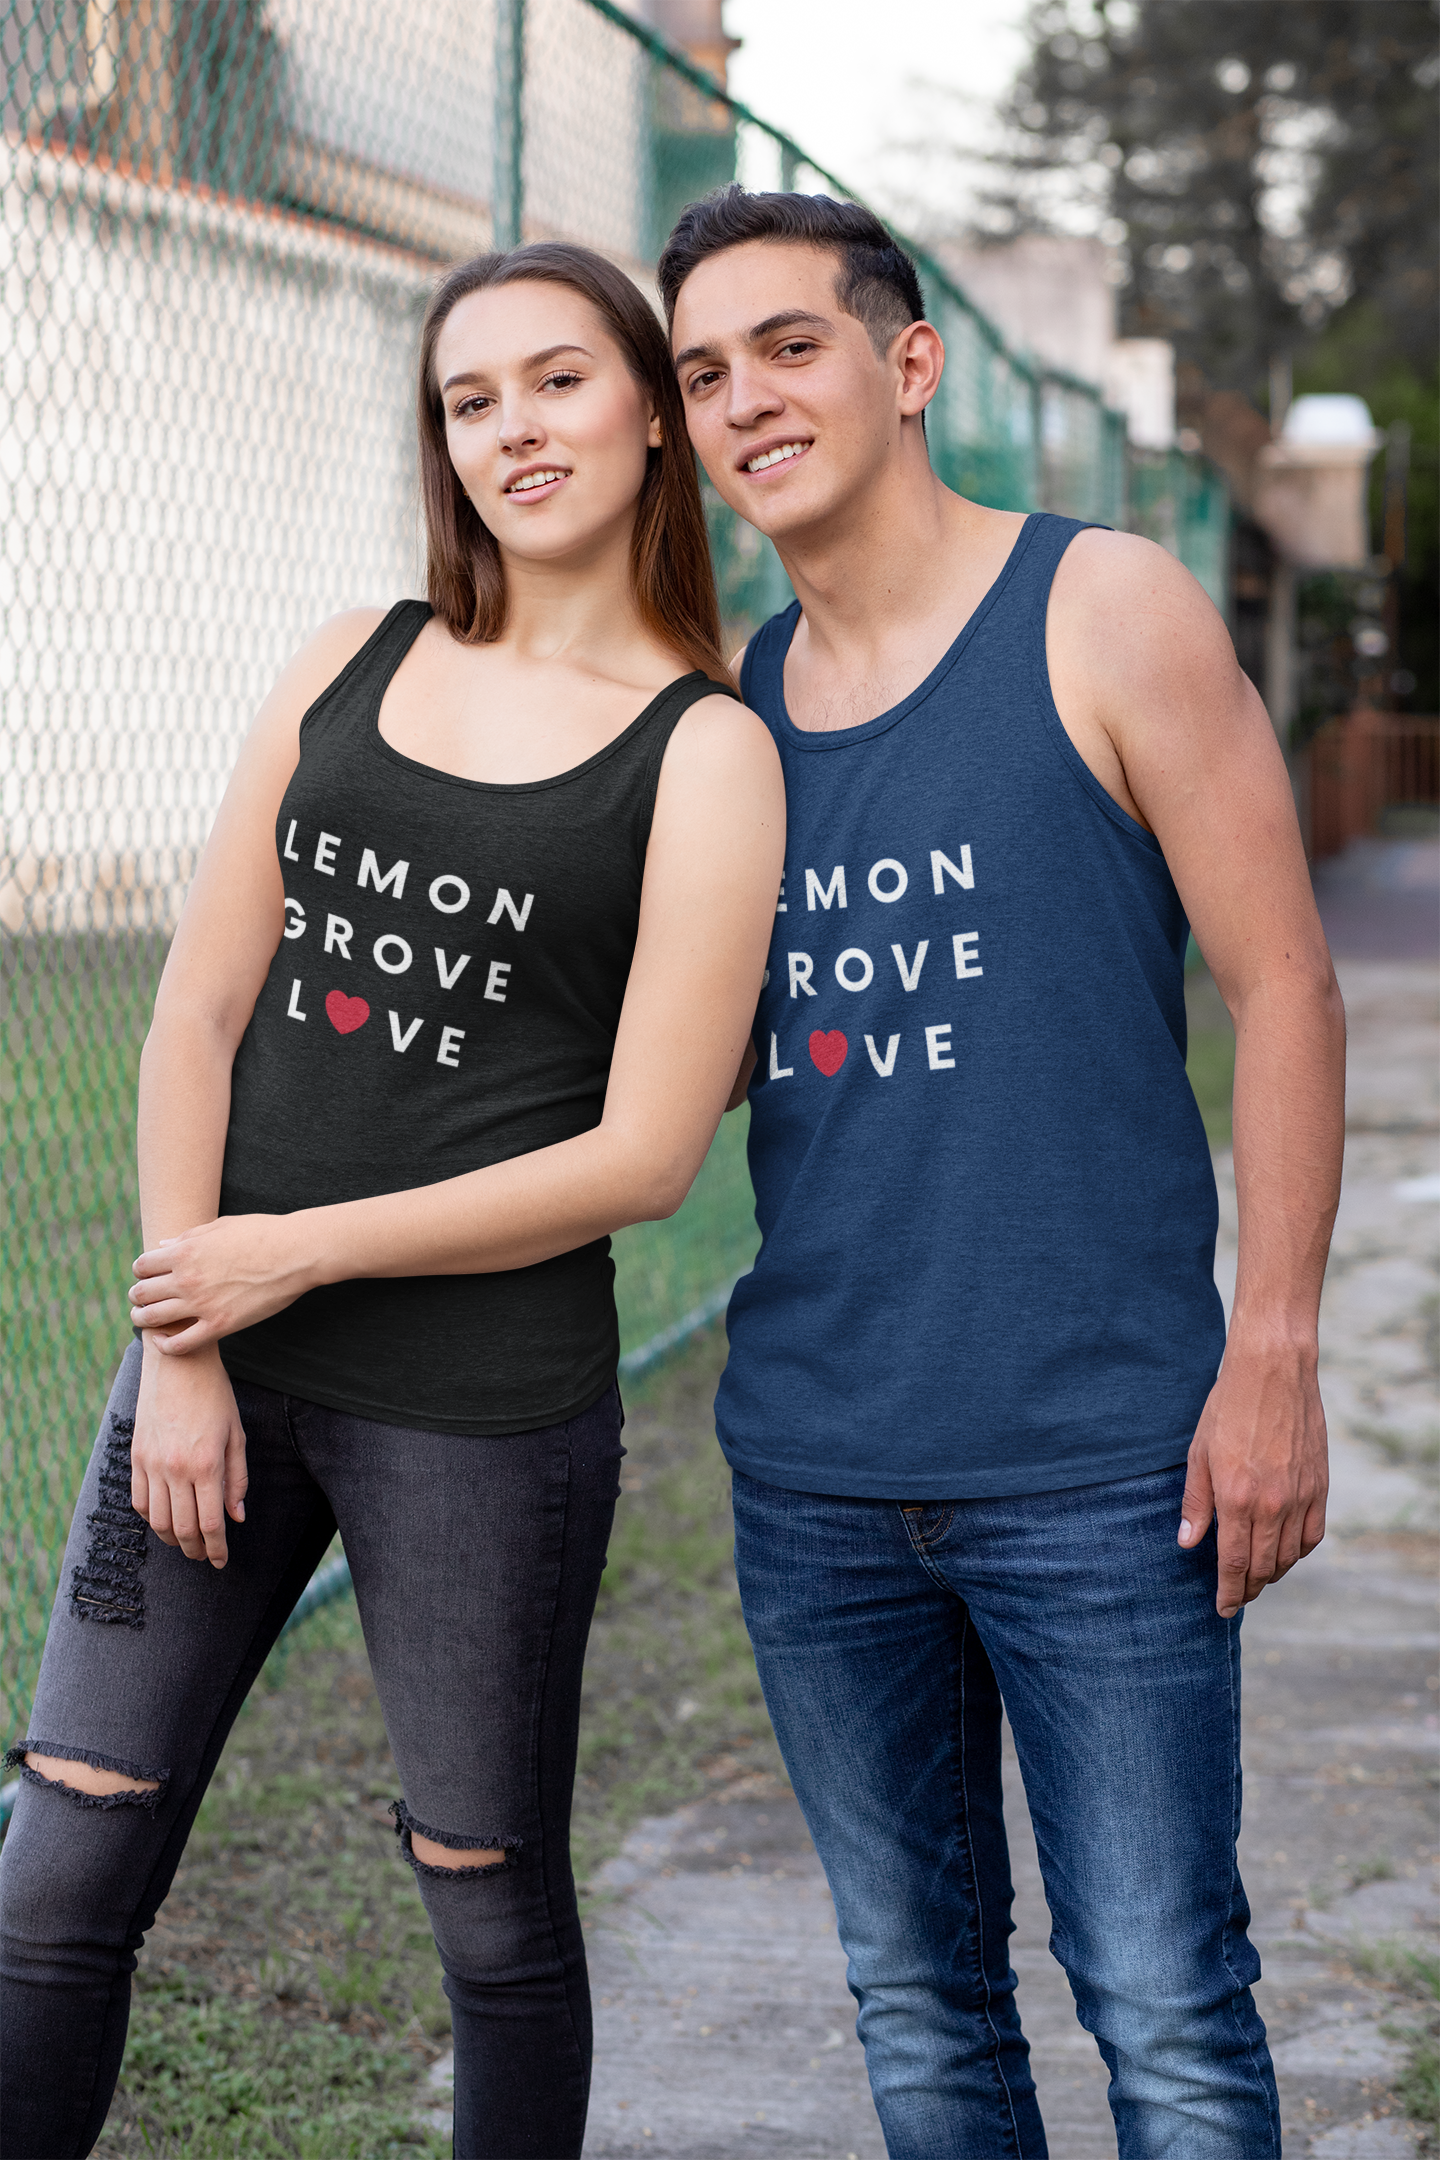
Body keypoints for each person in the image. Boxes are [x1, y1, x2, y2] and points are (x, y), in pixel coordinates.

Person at [0, 240, 783, 2160]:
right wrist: (190, 1349)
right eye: (469, 399)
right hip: (213, 1374)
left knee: (488, 1914)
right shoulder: (351, 660)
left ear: (652, 414)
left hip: (481, 1411)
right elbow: (196, 1014)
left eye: (559, 380)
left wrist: (302, 1252)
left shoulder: (706, 750)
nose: (515, 427)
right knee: (55, 1878)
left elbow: (644, 1157)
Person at [660, 186, 1345, 2157]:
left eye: (789, 345)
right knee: (919, 2010)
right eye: (702, 373)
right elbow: (701, 1071)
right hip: (817, 1473)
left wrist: (1273, 1355)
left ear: (910, 364)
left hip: (1105, 1462)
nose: (744, 398)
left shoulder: (1103, 606)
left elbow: (1286, 987)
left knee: (1165, 2004)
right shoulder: (730, 715)